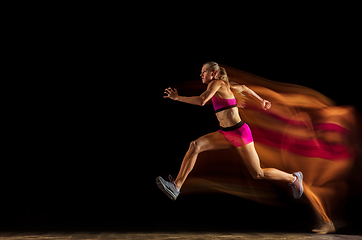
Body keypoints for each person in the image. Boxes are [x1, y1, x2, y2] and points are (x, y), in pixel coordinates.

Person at [156, 61, 303, 201]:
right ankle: (176, 186)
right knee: (195, 145)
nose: (201, 75)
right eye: (201, 72)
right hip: (226, 133)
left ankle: (294, 178)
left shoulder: (217, 83)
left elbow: (202, 101)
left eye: (204, 72)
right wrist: (261, 100)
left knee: (258, 173)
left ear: (214, 73)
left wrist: (177, 98)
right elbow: (244, 87)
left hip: (240, 133)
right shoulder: (225, 86)